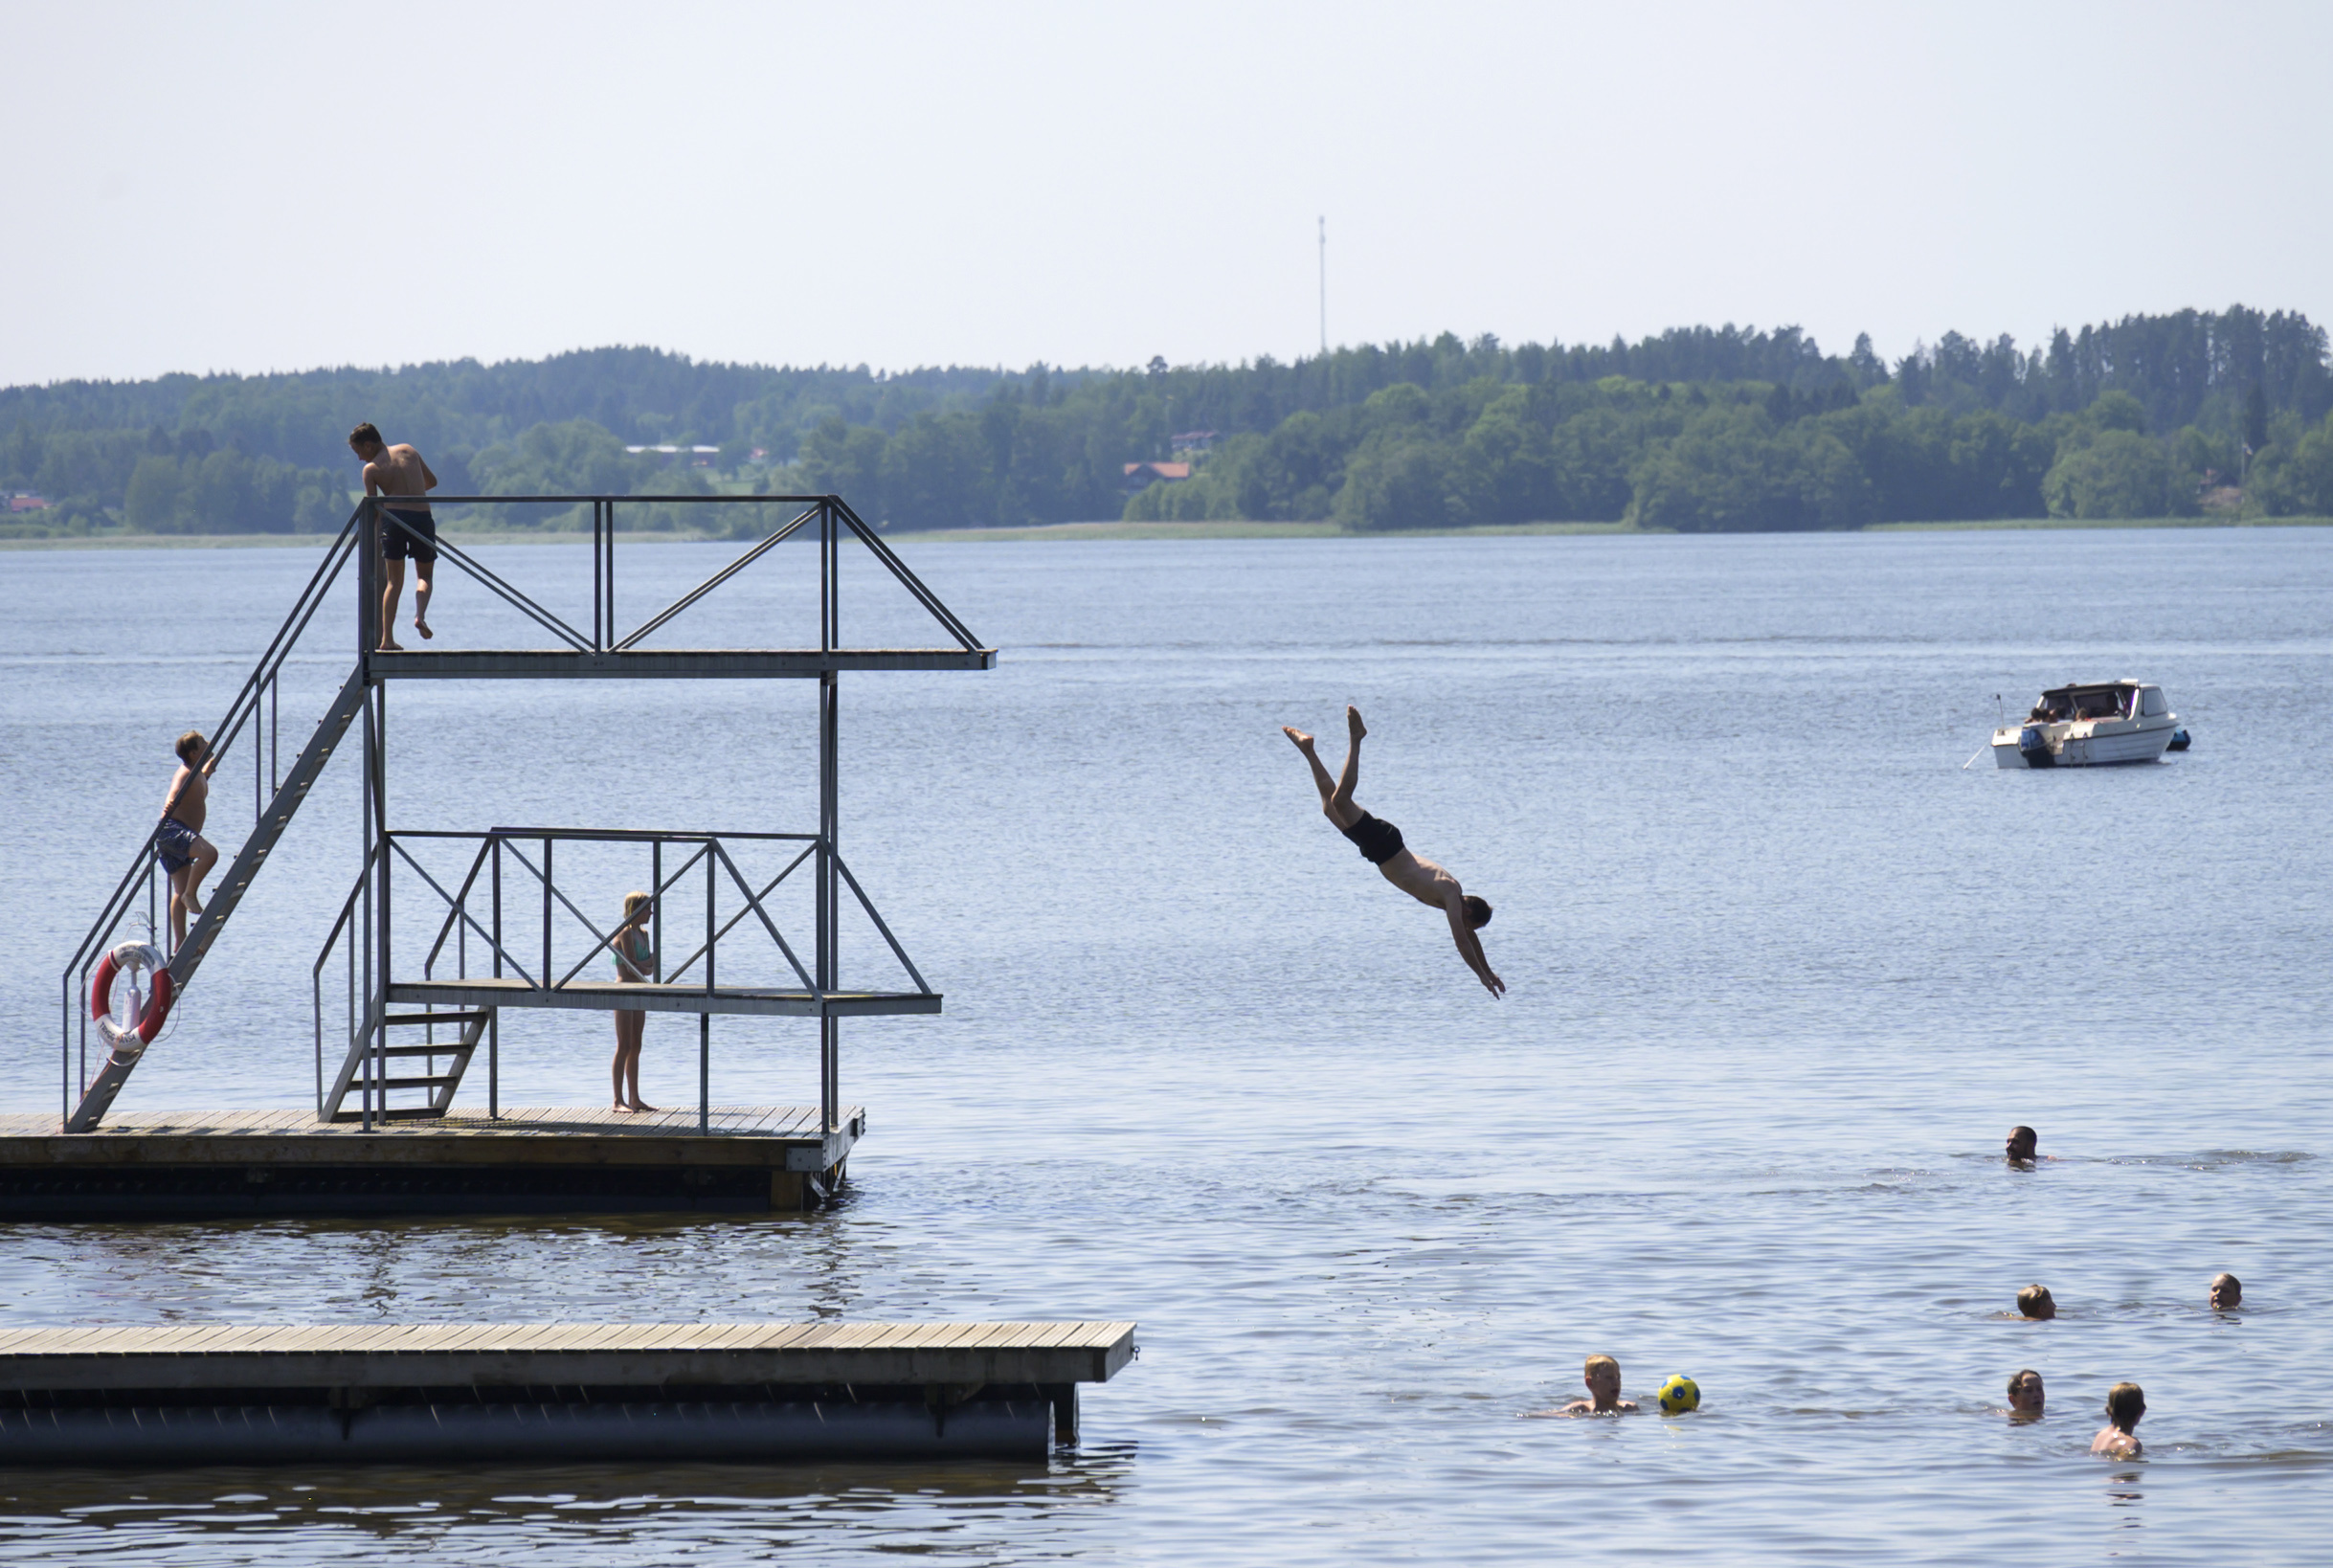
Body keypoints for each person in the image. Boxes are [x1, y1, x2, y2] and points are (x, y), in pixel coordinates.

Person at [1282, 706, 1503, 997]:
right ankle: (1357, 737)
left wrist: (1489, 971)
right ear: (1468, 910)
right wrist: (1481, 978)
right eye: (1468, 922)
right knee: (1341, 799)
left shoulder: (1451, 903)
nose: (1464, 927)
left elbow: (1470, 939)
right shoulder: (1450, 893)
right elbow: (1461, 942)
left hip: (1378, 852)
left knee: (1330, 808)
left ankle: (1308, 749)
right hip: (1386, 846)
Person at [348, 421, 439, 651]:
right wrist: (413, 491)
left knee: (393, 581)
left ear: (368, 445)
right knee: (425, 576)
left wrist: (368, 535)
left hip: (395, 520)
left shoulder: (371, 469)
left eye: (359, 452)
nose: (359, 458)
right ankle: (419, 615)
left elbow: (374, 508)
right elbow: (432, 482)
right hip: (422, 517)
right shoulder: (409, 450)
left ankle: (387, 640)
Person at [157, 730, 220, 949]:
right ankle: (191, 895)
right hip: (173, 830)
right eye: (203, 742)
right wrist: (170, 802)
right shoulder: (185, 773)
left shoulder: (197, 772)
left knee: (179, 889)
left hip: (175, 833)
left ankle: (180, 940)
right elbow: (176, 790)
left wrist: (207, 773)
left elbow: (196, 785)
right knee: (210, 854)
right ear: (194, 753)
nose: (208, 742)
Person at [609, 891, 657, 1112]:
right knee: (624, 1044)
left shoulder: (644, 935)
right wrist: (645, 965)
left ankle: (635, 1098)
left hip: (640, 989)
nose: (651, 912)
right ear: (635, 909)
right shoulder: (625, 934)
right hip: (624, 990)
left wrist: (644, 966)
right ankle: (618, 1100)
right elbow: (631, 967)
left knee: (636, 1044)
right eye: (647, 908)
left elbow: (651, 964)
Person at [1545, 1355, 1638, 1416]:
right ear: (1590, 1383)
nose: (1616, 1382)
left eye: (1618, 1377)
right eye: (1609, 1378)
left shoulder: (1629, 1408)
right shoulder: (1579, 1409)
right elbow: (1547, 1415)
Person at [2091, 1382, 2144, 1457]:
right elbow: (2123, 1467)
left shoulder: (2101, 1435)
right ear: (2141, 1412)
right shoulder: (2131, 1444)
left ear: (2108, 1411)